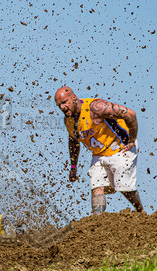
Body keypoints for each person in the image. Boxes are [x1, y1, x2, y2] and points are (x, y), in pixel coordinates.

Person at [55, 86, 145, 215]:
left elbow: (130, 113)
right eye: (59, 105)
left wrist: (132, 139)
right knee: (96, 185)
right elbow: (73, 141)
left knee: (124, 186)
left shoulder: (95, 108)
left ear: (74, 98)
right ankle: (96, 221)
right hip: (99, 154)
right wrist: (73, 166)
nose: (62, 107)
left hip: (121, 147)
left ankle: (141, 212)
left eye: (64, 102)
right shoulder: (68, 120)